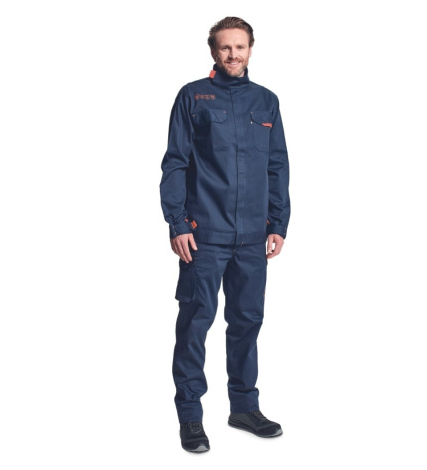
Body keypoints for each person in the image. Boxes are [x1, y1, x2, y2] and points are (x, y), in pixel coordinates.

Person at [159, 16, 290, 453]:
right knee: (196, 322)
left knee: (247, 322)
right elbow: (175, 163)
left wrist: (278, 223)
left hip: (253, 236)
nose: (233, 54)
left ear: (251, 49)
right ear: (213, 51)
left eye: (240, 47)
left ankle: (244, 407)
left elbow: (277, 166)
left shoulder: (266, 101)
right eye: (225, 47)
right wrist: (178, 223)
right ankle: (190, 416)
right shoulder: (192, 96)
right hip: (204, 235)